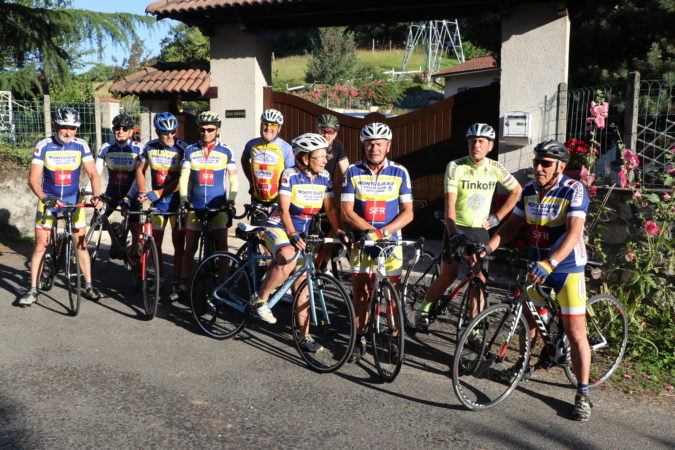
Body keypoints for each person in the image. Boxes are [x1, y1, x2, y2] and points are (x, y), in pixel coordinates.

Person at [476, 139, 592, 421]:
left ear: (560, 166)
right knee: (527, 318)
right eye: (536, 162)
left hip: (566, 267)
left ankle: (583, 393)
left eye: (546, 164)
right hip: (537, 265)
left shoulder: (574, 189)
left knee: (576, 332)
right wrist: (487, 248)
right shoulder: (529, 190)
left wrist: (551, 262)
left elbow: (574, 233)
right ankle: (523, 363)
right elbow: (512, 226)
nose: (539, 168)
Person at [415, 123, 522, 331]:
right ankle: (424, 309)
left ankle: (474, 327)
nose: (476, 145)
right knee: (449, 275)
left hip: (480, 230)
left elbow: (517, 191)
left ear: (490, 146)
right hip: (457, 227)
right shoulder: (456, 166)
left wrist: (498, 217)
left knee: (479, 277)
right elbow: (450, 206)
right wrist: (454, 235)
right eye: (473, 141)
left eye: (481, 141)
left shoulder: (495, 167)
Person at [252, 133, 345, 353]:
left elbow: (331, 208)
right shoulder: (290, 175)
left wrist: (339, 231)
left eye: (326, 155)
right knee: (288, 258)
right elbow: (284, 209)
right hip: (279, 227)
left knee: (303, 283)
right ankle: (260, 300)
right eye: (320, 156)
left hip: (303, 233)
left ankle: (305, 335)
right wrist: (292, 233)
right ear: (305, 158)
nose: (326, 160)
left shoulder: (324, 177)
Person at [341, 122, 414, 363]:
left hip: (391, 242)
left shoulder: (400, 172)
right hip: (362, 241)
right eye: (370, 144)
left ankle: (393, 337)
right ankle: (359, 338)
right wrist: (370, 231)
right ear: (364, 145)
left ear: (388, 146)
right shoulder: (352, 171)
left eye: (379, 144)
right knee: (361, 293)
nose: (374, 149)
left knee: (393, 293)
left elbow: (408, 212)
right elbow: (347, 211)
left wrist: (383, 232)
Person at [19, 107, 103, 306]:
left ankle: (88, 285)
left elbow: (93, 174)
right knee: (41, 246)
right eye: (64, 127)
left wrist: (97, 196)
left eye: (73, 128)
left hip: (73, 201)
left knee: (81, 244)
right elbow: (33, 180)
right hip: (49, 201)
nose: (68, 132)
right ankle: (32, 290)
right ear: (56, 126)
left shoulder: (81, 145)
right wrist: (44, 198)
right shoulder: (44, 146)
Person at [175, 111, 238, 296]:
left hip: (218, 207)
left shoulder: (226, 151)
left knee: (222, 247)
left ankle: (223, 285)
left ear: (218, 130)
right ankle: (183, 284)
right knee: (189, 248)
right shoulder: (190, 150)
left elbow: (233, 179)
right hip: (195, 206)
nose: (206, 133)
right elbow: (184, 177)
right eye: (202, 130)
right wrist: (184, 199)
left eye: (210, 129)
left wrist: (231, 199)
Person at [136, 112, 188, 300]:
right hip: (158, 205)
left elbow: (183, 180)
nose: (170, 136)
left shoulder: (183, 148)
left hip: (176, 203)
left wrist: (158, 193)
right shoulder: (149, 147)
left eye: (173, 131)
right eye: (165, 132)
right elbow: (140, 170)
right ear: (157, 131)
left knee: (178, 245)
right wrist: (142, 190)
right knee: (155, 242)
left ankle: (177, 281)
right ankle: (159, 277)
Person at [87, 113, 143, 247]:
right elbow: (95, 171)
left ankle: (134, 251)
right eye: (117, 128)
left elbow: (139, 176)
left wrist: (129, 197)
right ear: (113, 130)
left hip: (131, 194)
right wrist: (89, 191)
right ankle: (116, 232)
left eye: (124, 129)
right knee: (96, 221)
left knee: (135, 228)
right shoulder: (106, 147)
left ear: (130, 132)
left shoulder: (138, 148)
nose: (120, 131)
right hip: (111, 193)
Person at [241, 108, 294, 222]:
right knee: (257, 231)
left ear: (279, 128)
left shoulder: (286, 148)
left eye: (273, 125)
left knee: (275, 232)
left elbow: (292, 176)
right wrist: (251, 182)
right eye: (265, 124)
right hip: (257, 199)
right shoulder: (251, 144)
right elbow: (244, 160)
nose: (268, 128)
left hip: (277, 200)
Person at [314, 113, 350, 269]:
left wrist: (353, 189)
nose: (326, 134)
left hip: (326, 193)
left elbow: (346, 171)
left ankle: (323, 264)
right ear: (317, 130)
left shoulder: (337, 146)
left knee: (334, 229)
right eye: (323, 130)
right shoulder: (311, 144)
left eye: (330, 131)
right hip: (309, 192)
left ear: (336, 133)